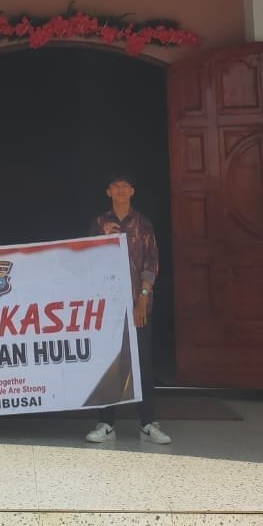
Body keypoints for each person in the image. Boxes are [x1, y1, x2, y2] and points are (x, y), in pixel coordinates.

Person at [85, 171, 171, 445]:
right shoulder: (100, 223)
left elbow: (151, 263)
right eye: (115, 186)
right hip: (108, 307)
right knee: (109, 364)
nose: (121, 190)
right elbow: (89, 259)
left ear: (132, 191)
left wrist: (142, 299)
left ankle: (148, 423)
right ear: (108, 192)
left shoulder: (142, 224)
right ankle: (106, 423)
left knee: (141, 363)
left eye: (125, 186)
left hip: (137, 306)